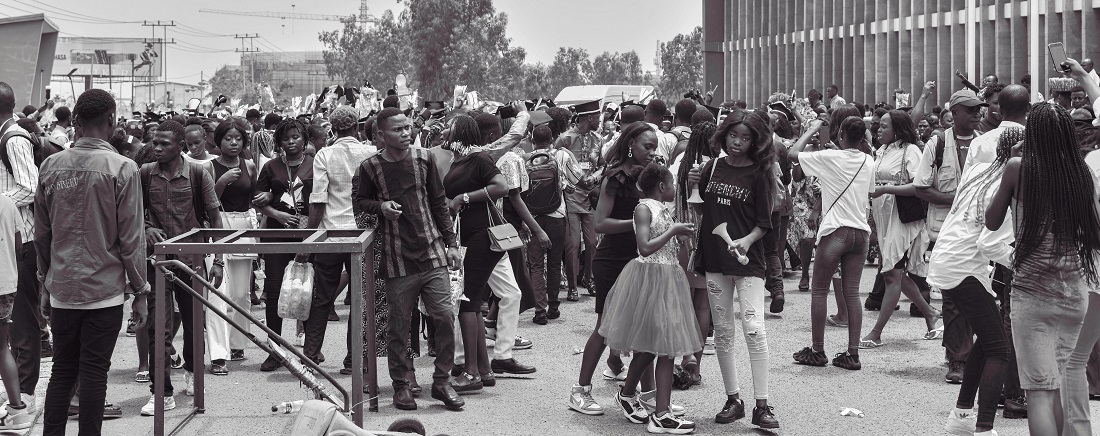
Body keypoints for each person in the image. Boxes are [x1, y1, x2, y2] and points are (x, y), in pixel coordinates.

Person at [33, 89, 147, 435]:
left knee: (63, 370)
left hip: (62, 287)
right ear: (112, 121)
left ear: (77, 122)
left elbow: (42, 234)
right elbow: (131, 239)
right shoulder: (124, 168)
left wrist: (44, 281)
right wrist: (141, 289)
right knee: (95, 371)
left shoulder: (50, 166)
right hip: (105, 290)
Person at [985, 102, 1100, 436]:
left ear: (1031, 134)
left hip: (1031, 294)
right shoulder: (1081, 173)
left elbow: (992, 222)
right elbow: (1095, 234)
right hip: (1073, 292)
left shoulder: (1019, 168)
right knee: (1060, 381)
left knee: (1039, 391)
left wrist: (1006, 165)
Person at [353, 107, 464, 411]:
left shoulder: (424, 158)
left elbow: (439, 202)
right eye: (398, 129)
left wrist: (451, 244)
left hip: (432, 252)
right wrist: (380, 206)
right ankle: (401, 386)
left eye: (408, 127)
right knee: (399, 327)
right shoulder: (369, 167)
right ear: (380, 134)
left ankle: (442, 382)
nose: (406, 133)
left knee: (443, 317)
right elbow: (360, 203)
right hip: (396, 258)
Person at [687, 108, 779, 429]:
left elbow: (765, 223)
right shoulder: (712, 167)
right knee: (724, 331)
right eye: (732, 135)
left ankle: (763, 405)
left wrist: (747, 239)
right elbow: (701, 211)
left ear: (755, 141)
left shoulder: (760, 172)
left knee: (754, 329)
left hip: (748, 262)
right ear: (723, 135)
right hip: (714, 260)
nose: (737, 142)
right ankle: (733, 399)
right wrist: (693, 185)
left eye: (745, 137)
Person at [926, 126, 1020, 436]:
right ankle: (982, 429)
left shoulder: (980, 168)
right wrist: (1020, 265)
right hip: (963, 266)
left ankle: (961, 417)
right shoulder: (1006, 186)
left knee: (988, 339)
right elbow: (990, 245)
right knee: (1000, 350)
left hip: (952, 260)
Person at [599, 163, 701, 433]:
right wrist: (673, 231)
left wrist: (679, 239)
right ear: (661, 186)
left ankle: (628, 394)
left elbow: (665, 245)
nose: (673, 188)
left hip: (667, 278)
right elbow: (644, 248)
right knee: (664, 347)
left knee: (653, 347)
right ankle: (662, 414)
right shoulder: (644, 209)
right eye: (671, 184)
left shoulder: (662, 209)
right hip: (650, 279)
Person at [568, 121, 657, 416]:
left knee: (646, 330)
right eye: (648, 146)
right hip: (612, 261)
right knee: (604, 329)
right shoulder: (615, 178)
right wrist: (636, 224)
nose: (652, 152)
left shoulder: (649, 176)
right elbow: (600, 223)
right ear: (631, 144)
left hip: (641, 260)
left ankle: (650, 396)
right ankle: (580, 391)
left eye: (655, 147)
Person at [139, 120, 224, 415]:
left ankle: (191, 372)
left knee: (192, 324)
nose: (157, 148)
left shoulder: (199, 173)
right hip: (157, 263)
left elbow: (215, 218)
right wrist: (146, 227)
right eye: (154, 142)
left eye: (164, 144)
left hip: (191, 262)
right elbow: (131, 212)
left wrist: (219, 260)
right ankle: (161, 392)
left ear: (180, 146)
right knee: (157, 329)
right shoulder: (146, 173)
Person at [787, 116, 874, 370]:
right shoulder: (868, 160)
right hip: (861, 234)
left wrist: (812, 128)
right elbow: (867, 190)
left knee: (819, 291)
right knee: (852, 294)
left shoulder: (829, 158)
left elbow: (793, 154)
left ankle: (817, 350)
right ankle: (853, 354)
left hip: (836, 230)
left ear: (840, 133)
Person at [915, 89, 987, 383]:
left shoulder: (986, 142)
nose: (976, 114)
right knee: (953, 296)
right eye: (970, 110)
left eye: (977, 110)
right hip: (944, 231)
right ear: (953, 113)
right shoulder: (938, 143)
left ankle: (965, 353)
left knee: (978, 294)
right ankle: (958, 358)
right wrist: (958, 198)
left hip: (981, 232)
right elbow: (922, 187)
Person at [299, 106, 377, 367]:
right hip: (363, 235)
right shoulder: (371, 152)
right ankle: (354, 359)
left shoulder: (324, 154)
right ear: (357, 126)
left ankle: (310, 354)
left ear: (333, 128)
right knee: (360, 299)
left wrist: (309, 238)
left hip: (331, 235)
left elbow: (318, 201)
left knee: (322, 296)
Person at [860, 109, 941, 348]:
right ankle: (930, 314)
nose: (878, 129)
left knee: (892, 273)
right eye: (879, 126)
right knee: (893, 270)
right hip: (885, 216)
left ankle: (876, 332)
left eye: (884, 126)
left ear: (897, 128)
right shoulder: (882, 150)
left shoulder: (912, 150)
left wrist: (886, 189)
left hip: (902, 217)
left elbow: (920, 187)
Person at [252, 118, 313, 372]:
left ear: (304, 140)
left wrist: (309, 222)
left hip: (307, 234)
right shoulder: (271, 166)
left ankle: (310, 352)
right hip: (277, 234)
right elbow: (255, 199)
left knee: (308, 289)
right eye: (286, 138)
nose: (291, 142)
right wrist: (277, 214)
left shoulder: (314, 164)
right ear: (278, 142)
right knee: (275, 290)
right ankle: (275, 350)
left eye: (296, 137)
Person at [0, 82, 43, 423]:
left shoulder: (13, 137)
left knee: (23, 319)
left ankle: (25, 390)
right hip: (9, 236)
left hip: (21, 240)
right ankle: (18, 386)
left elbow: (30, 186)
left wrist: (1, 208)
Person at [206, 121, 257, 375]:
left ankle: (238, 343)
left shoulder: (249, 166)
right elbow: (207, 202)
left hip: (244, 228)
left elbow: (253, 198)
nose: (234, 143)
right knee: (217, 293)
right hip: (218, 227)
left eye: (238, 138)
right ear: (218, 141)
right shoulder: (209, 167)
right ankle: (219, 352)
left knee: (240, 293)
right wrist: (222, 182)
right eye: (228, 138)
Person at [557, 100, 602, 297]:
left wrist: (595, 176)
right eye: (598, 118)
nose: (600, 121)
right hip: (570, 198)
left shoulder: (598, 139)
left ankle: (588, 278)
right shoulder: (564, 139)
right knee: (573, 244)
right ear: (590, 118)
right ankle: (573, 285)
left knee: (592, 242)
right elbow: (555, 165)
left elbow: (603, 165)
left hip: (590, 198)